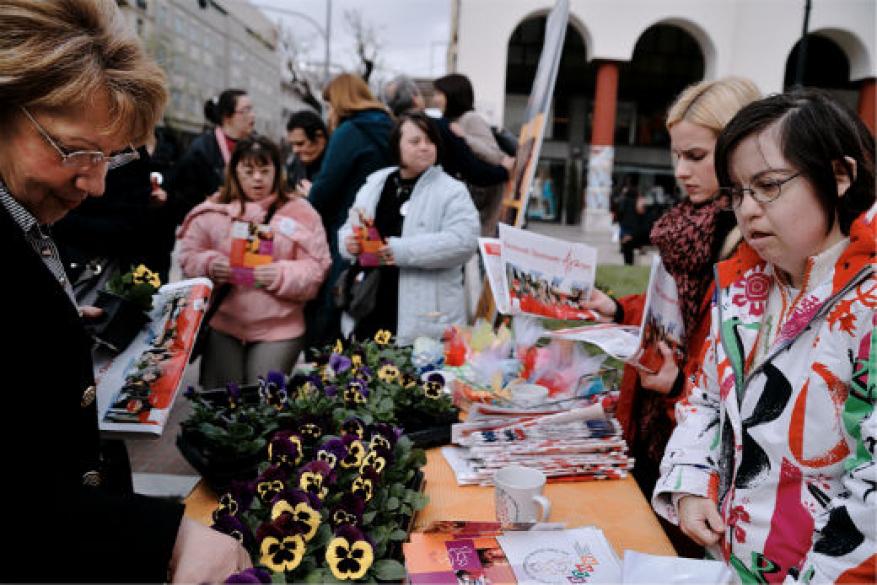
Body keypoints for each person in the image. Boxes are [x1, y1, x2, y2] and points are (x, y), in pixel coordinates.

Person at [0, 0, 249, 581]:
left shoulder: (26, 211)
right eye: (73, 151)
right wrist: (160, 539)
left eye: (110, 156)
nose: (96, 181)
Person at [652, 89, 876, 583]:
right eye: (737, 192)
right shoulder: (744, 285)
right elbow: (705, 400)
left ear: (840, 176)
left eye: (769, 186)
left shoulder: (870, 308)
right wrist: (690, 486)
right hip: (730, 562)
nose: (748, 210)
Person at [585, 77, 761, 556]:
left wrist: (679, 384)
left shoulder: (751, 241)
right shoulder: (687, 225)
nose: (681, 170)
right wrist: (620, 308)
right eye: (677, 155)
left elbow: (735, 373)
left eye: (696, 156)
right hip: (658, 432)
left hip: (702, 458)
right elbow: (672, 308)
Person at [178, 136, 330, 388]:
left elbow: (317, 266)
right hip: (223, 325)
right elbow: (188, 255)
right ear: (234, 172)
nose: (257, 178)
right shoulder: (213, 210)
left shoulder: (300, 212)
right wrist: (209, 265)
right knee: (222, 404)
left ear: (277, 172)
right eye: (248, 171)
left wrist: (280, 275)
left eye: (264, 170)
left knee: (262, 403)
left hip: (280, 328)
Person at [338, 112, 479, 344]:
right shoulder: (376, 182)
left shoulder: (452, 190)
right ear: (397, 146)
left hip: (426, 318)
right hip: (371, 306)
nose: (424, 147)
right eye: (415, 142)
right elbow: (349, 225)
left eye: (430, 140)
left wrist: (399, 250)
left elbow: (464, 242)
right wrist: (349, 243)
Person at [299, 73, 394, 351]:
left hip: (349, 228)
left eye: (330, 104)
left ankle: (330, 368)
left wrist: (309, 193)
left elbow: (326, 188)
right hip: (384, 228)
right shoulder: (389, 126)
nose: (329, 111)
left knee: (335, 304)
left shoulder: (349, 131)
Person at [382, 74, 513, 195]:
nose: (434, 99)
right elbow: (472, 169)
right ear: (415, 98)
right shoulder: (441, 126)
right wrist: (503, 171)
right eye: (415, 142)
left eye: (438, 93)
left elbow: (489, 155)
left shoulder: (386, 129)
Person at [433, 73, 511, 235]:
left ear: (453, 94)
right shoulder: (451, 121)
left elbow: (496, 156)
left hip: (482, 200)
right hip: (470, 200)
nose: (435, 99)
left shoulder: (470, 119)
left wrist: (465, 137)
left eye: (439, 94)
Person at [171, 88, 255, 222]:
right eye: (246, 110)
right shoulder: (201, 150)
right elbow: (186, 198)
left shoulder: (257, 146)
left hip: (249, 222)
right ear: (227, 116)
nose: (252, 115)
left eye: (252, 109)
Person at [285, 109, 328, 190]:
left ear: (319, 137)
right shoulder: (293, 166)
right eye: (292, 145)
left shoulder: (336, 165)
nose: (295, 150)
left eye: (300, 144)